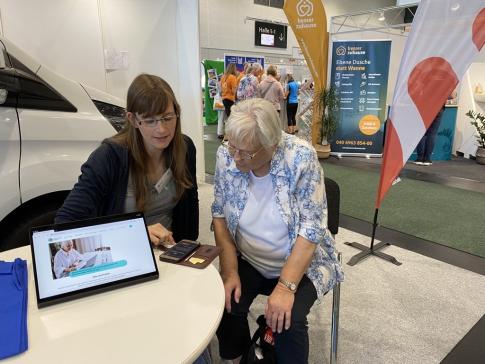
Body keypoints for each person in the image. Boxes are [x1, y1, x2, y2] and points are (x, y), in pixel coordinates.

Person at [212, 98, 343, 364]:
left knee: (287, 320)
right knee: (225, 303)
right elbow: (219, 215)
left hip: (302, 262)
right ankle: (238, 359)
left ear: (272, 145)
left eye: (245, 153)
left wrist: (286, 287)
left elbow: (311, 229)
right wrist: (229, 270)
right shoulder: (227, 154)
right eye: (231, 146)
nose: (235, 157)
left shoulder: (301, 158)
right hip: (250, 259)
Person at [55, 73, 198, 246]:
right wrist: (138, 233)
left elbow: (189, 218)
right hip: (123, 252)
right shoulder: (109, 157)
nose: (161, 129)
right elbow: (64, 224)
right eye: (150, 121)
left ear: (177, 113)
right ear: (133, 119)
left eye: (168, 118)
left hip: (169, 251)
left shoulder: (184, 147)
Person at [415, 90, 457, 166]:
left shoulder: (426, 79)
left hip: (424, 107)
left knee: (422, 133)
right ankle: (427, 159)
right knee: (432, 134)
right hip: (438, 108)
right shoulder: (446, 80)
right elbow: (453, 96)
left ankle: (420, 158)